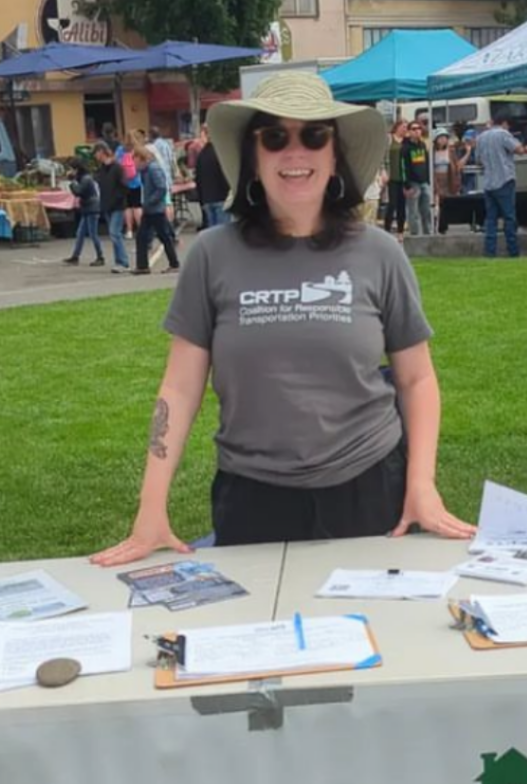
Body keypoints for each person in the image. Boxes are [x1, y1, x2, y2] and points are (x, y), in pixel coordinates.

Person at [90, 71, 473, 567]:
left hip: (370, 489)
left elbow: (417, 379)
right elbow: (179, 389)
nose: (295, 153)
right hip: (252, 499)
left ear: (334, 154)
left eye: (314, 136)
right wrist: (151, 508)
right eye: (275, 137)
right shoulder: (212, 254)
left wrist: (422, 486)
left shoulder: (380, 253)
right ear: (253, 158)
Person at [475, 116, 527, 258]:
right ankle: (513, 250)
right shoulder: (503, 134)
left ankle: (490, 251)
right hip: (504, 179)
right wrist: (524, 148)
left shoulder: (481, 137)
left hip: (488, 183)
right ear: (504, 123)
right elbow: (518, 149)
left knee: (491, 219)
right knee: (509, 217)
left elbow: (478, 160)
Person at [131, 146, 179, 276]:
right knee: (142, 237)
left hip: (156, 210)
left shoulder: (153, 169)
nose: (133, 165)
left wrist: (149, 202)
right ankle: (142, 266)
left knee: (164, 237)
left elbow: (161, 188)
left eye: (134, 161)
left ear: (142, 159)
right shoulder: (145, 171)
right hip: (149, 210)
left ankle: (174, 264)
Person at [93, 142, 129, 273]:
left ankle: (123, 262)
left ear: (102, 152)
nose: (96, 156)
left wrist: (117, 199)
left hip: (117, 205)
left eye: (96, 153)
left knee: (115, 233)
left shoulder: (117, 168)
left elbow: (124, 186)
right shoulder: (102, 169)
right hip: (107, 205)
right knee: (114, 234)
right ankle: (119, 261)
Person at [64, 157, 104, 267]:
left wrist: (72, 182)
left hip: (92, 208)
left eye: (72, 169)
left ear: (77, 169)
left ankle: (100, 256)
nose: (71, 171)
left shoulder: (86, 179)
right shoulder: (83, 177)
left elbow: (78, 192)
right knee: (80, 234)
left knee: (93, 234)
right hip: (87, 208)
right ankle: (75, 256)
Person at [194, 126, 230, 229]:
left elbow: (198, 180)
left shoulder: (201, 155)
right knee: (223, 233)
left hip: (207, 199)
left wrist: (201, 199)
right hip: (221, 198)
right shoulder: (221, 154)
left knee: (212, 232)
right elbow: (225, 176)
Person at [402, 122, 431, 236]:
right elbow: (403, 167)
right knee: (413, 211)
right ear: (409, 132)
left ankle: (427, 234)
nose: (417, 131)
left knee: (426, 210)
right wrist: (406, 185)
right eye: (414, 129)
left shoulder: (423, 145)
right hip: (412, 183)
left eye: (419, 128)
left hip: (424, 182)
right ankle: (414, 235)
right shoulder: (405, 148)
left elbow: (427, 163)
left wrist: (428, 180)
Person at [431, 128, 460, 234]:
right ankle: (435, 225)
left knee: (447, 203)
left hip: (448, 178)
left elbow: (456, 166)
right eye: (441, 138)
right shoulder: (432, 152)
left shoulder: (451, 151)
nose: (443, 140)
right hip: (436, 178)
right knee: (437, 202)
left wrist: (457, 180)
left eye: (445, 138)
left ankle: (444, 226)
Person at [383, 120, 408, 239]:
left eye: (406, 128)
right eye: (403, 127)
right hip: (391, 176)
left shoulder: (406, 141)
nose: (405, 129)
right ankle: (386, 229)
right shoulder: (389, 139)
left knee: (401, 205)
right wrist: (383, 171)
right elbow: (383, 156)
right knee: (392, 203)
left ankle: (400, 231)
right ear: (397, 127)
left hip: (403, 177)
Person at [116, 133, 142, 239]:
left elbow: (117, 164)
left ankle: (129, 230)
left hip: (124, 182)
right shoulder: (137, 149)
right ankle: (141, 229)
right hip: (136, 181)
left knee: (127, 207)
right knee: (137, 206)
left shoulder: (120, 150)